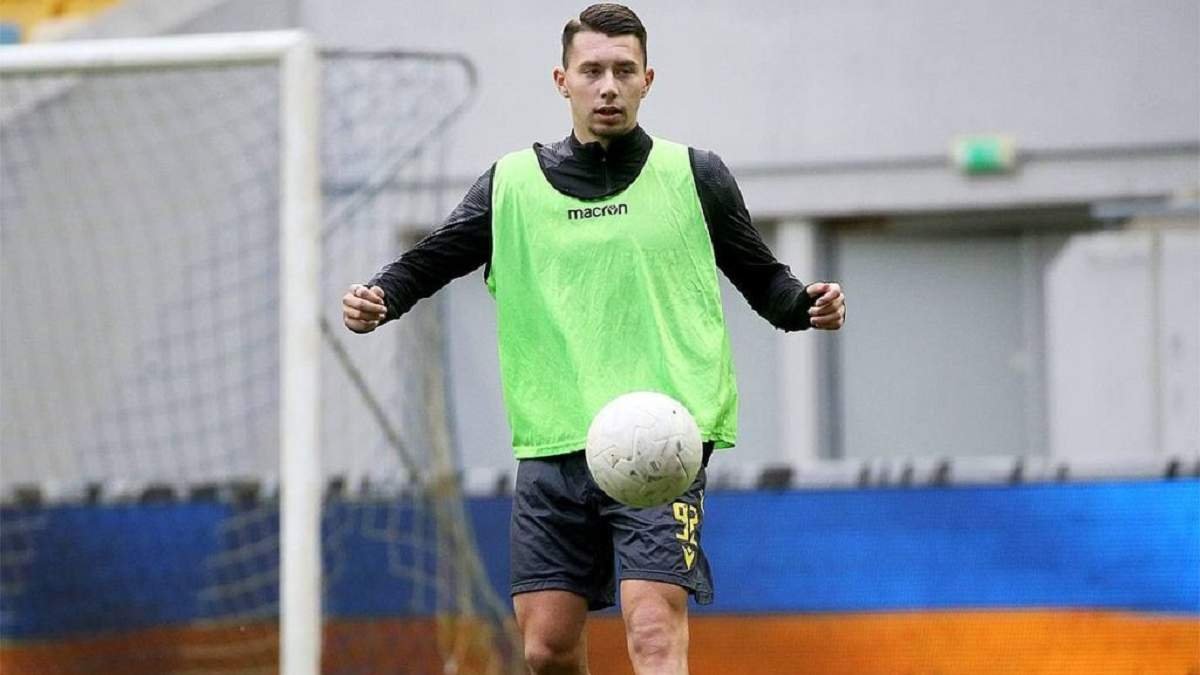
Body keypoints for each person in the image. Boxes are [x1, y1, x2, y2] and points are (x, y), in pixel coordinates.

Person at [342, 4, 846, 673]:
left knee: (653, 630)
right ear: (563, 80)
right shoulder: (510, 185)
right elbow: (429, 260)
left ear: (647, 80)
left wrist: (806, 304)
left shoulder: (695, 175)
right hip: (553, 443)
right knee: (546, 649)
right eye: (592, 71)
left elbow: (765, 279)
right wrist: (381, 296)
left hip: (662, 441)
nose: (608, 86)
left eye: (624, 71)